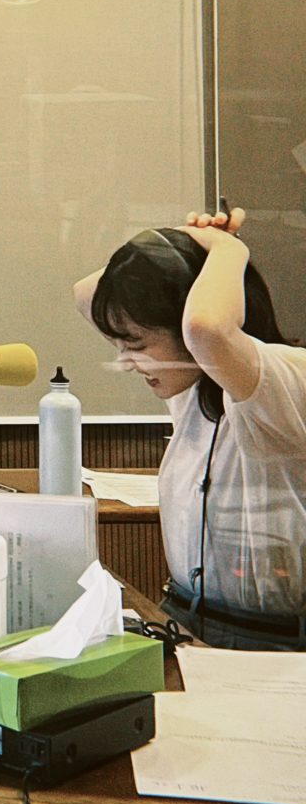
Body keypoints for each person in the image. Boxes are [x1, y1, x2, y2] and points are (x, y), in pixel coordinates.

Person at [74, 207, 306, 649]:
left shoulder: (287, 380)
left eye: (137, 344)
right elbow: (85, 293)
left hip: (267, 643)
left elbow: (206, 328)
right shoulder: (192, 384)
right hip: (182, 619)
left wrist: (225, 248)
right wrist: (182, 241)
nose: (127, 362)